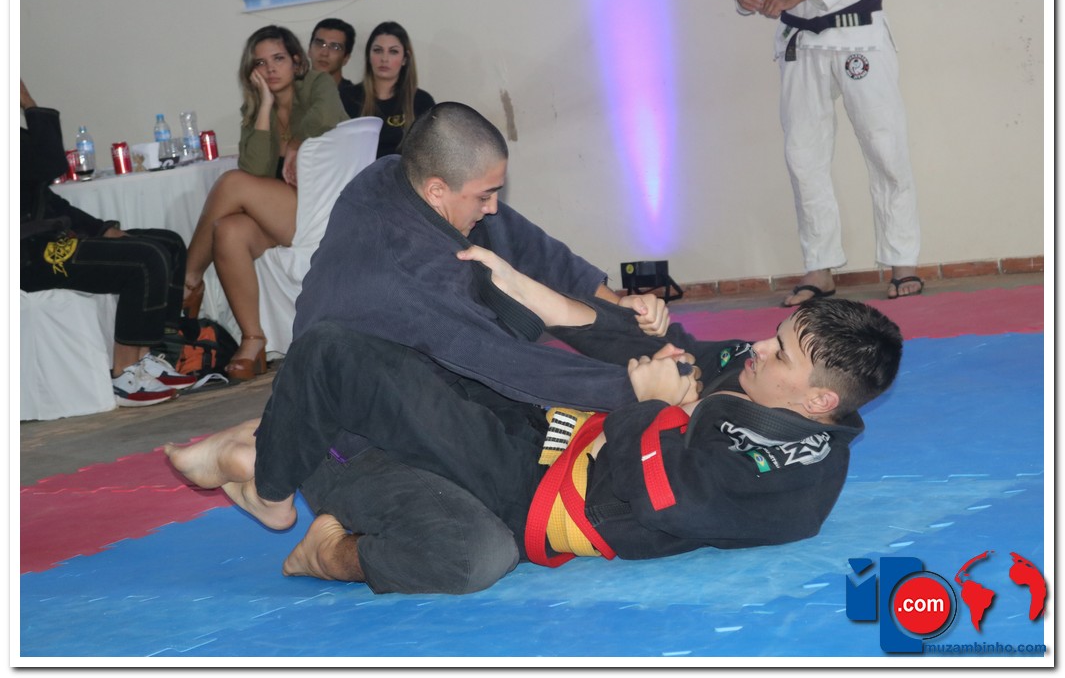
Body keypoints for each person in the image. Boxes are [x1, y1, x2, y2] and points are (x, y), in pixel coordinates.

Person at [166, 246, 903, 594]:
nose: (760, 347)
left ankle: (284, 482)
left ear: (818, 402)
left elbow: (655, 497)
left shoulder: (783, 475)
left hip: (533, 489)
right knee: (468, 335)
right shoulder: (760, 377)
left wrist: (650, 405)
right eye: (776, 335)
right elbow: (662, 352)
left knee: (342, 359)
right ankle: (271, 450)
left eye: (780, 353)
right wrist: (537, 292)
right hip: (557, 434)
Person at [294, 101, 670, 413]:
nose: (492, 207)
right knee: (524, 433)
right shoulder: (412, 271)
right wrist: (631, 388)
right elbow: (505, 362)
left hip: (387, 361)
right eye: (485, 196)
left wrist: (619, 311)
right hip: (354, 411)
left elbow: (537, 251)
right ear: (437, 190)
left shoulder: (394, 172)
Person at [724, 0, 923, 305]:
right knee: (803, 156)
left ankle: (902, 260)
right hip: (799, 40)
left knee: (886, 150)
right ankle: (819, 267)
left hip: (859, 33)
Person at [181, 25, 347, 380]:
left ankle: (188, 280)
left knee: (230, 183)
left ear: (296, 61)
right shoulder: (258, 104)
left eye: (279, 59)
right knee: (228, 230)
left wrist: (296, 143)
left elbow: (326, 114)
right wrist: (265, 107)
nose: (270, 68)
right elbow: (255, 168)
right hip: (287, 212)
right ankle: (253, 341)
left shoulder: (317, 84)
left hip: (324, 210)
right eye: (261, 63)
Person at [20, 80, 195, 407]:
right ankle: (124, 374)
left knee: (167, 243)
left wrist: (102, 230)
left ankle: (149, 358)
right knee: (144, 259)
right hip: (25, 256)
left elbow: (47, 201)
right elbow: (50, 164)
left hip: (43, 241)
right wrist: (29, 103)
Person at [345, 21, 436, 158]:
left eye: (393, 51)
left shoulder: (421, 101)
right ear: (368, 56)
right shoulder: (347, 97)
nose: (384, 58)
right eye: (378, 50)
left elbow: (432, 154)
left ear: (405, 59)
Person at [307, 18, 360, 115]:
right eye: (319, 44)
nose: (324, 53)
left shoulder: (357, 100)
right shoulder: (293, 94)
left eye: (335, 47)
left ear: (346, 58)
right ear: (309, 50)